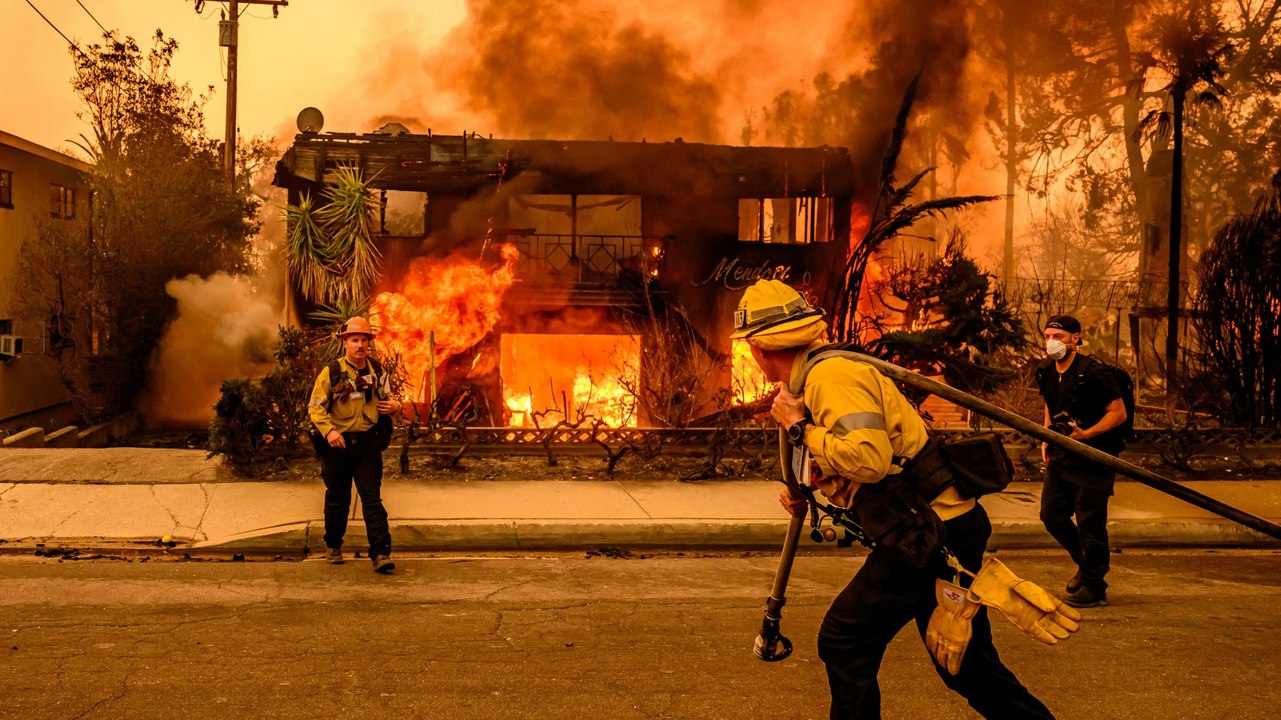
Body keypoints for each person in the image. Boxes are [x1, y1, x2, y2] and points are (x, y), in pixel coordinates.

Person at [734, 279, 1057, 720]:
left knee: (844, 639)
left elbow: (868, 459)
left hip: (928, 534)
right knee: (965, 667)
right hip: (937, 528)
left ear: (757, 346)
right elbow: (851, 456)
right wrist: (809, 487)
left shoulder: (832, 377)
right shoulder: (813, 379)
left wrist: (797, 428)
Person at [1035, 315, 1127, 608]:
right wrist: (1046, 437)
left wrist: (1086, 435)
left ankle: (1094, 585)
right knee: (1052, 515)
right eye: (1048, 336)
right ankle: (1087, 567)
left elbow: (1118, 413)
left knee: (1090, 521)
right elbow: (1050, 405)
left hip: (1094, 456)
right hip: (1061, 455)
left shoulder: (1093, 372)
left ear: (1075, 338)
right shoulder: (1046, 370)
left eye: (1058, 337)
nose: (1052, 342)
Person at [308, 316, 403, 574]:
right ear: (344, 343)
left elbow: (389, 397)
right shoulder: (332, 372)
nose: (360, 345)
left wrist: (395, 406)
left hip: (367, 446)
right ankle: (334, 545)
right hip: (338, 447)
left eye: (364, 340)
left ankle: (380, 554)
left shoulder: (376, 370)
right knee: (338, 498)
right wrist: (328, 433)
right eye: (355, 340)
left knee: (372, 499)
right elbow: (315, 408)